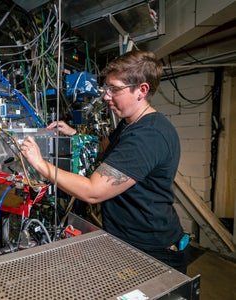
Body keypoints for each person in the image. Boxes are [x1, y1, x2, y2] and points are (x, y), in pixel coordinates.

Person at [20, 50, 188, 274]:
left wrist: (40, 164)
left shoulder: (148, 135)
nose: (106, 96)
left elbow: (93, 191)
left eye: (114, 89)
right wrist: (74, 135)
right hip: (128, 241)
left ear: (142, 90)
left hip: (152, 250)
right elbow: (104, 146)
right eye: (106, 88)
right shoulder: (129, 124)